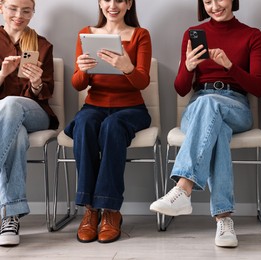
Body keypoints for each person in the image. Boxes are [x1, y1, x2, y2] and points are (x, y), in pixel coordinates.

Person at [150, 0, 261, 248]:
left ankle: (183, 187)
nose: (214, 6)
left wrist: (230, 66)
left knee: (213, 108)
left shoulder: (252, 35)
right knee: (216, 126)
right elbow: (182, 88)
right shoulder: (192, 35)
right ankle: (223, 219)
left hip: (237, 106)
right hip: (198, 103)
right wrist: (189, 67)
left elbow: (258, 87)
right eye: (208, 1)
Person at [64, 0, 151, 244]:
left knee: (112, 126)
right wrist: (82, 70)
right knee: (84, 123)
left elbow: (142, 81)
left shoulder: (140, 35)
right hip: (95, 104)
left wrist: (127, 68)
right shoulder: (86, 33)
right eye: (107, 0)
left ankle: (111, 211)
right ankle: (90, 209)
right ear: (100, 3)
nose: (113, 5)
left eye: (120, 0)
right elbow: (78, 84)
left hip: (131, 108)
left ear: (129, 4)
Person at [0, 0, 58, 246]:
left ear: (33, 13)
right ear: (1, 7)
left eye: (26, 10)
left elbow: (47, 92)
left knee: (12, 104)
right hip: (5, 121)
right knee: (17, 135)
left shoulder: (42, 45)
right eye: (13, 8)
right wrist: (2, 74)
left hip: (36, 114)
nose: (19, 15)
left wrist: (36, 83)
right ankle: (11, 216)